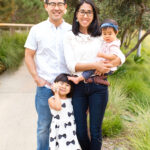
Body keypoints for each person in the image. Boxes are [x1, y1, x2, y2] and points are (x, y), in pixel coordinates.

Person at [63, 0, 125, 150]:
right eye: (82, 11)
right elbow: (72, 65)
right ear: (76, 14)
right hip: (78, 87)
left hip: (98, 86)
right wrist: (95, 65)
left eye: (89, 12)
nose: (85, 15)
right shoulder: (69, 36)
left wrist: (111, 64)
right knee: (80, 131)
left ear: (94, 16)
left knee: (96, 131)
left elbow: (120, 57)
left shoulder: (101, 36)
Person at [24, 0, 72, 150]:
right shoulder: (37, 30)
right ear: (46, 6)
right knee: (44, 126)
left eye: (60, 4)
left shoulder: (72, 31)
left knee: (67, 125)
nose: (56, 8)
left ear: (65, 7)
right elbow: (28, 55)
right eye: (52, 4)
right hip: (45, 88)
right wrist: (37, 79)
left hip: (67, 89)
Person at [67, 18, 122, 85]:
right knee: (92, 68)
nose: (107, 36)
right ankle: (97, 79)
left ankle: (78, 79)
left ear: (116, 32)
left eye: (110, 34)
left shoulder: (113, 44)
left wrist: (101, 56)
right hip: (100, 64)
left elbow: (115, 56)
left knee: (91, 69)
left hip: (106, 67)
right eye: (104, 34)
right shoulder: (104, 41)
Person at [48, 73, 81, 150]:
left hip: (70, 129)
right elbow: (58, 107)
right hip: (58, 130)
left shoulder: (72, 100)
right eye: (61, 83)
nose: (64, 86)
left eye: (67, 85)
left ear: (71, 88)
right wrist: (56, 92)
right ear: (55, 84)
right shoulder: (51, 99)